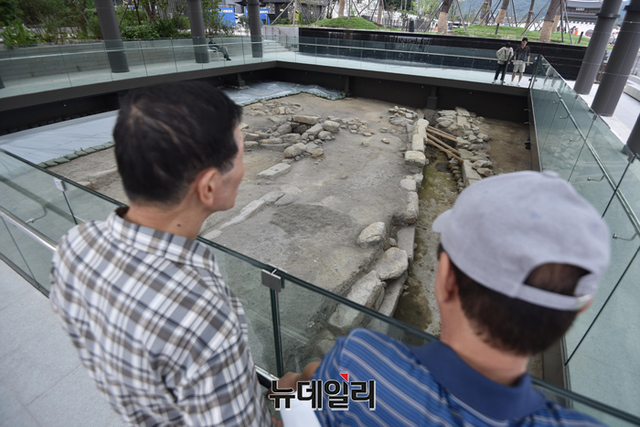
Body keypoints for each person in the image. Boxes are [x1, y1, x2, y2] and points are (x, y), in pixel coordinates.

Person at [278, 171, 611, 426]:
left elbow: (325, 392)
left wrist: (288, 390)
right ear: (582, 307)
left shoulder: (359, 365)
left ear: (446, 278)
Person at [50, 82, 272, 426]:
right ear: (209, 187)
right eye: (241, 155)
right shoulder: (203, 318)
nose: (243, 167)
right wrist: (290, 402)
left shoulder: (74, 246)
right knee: (339, 391)